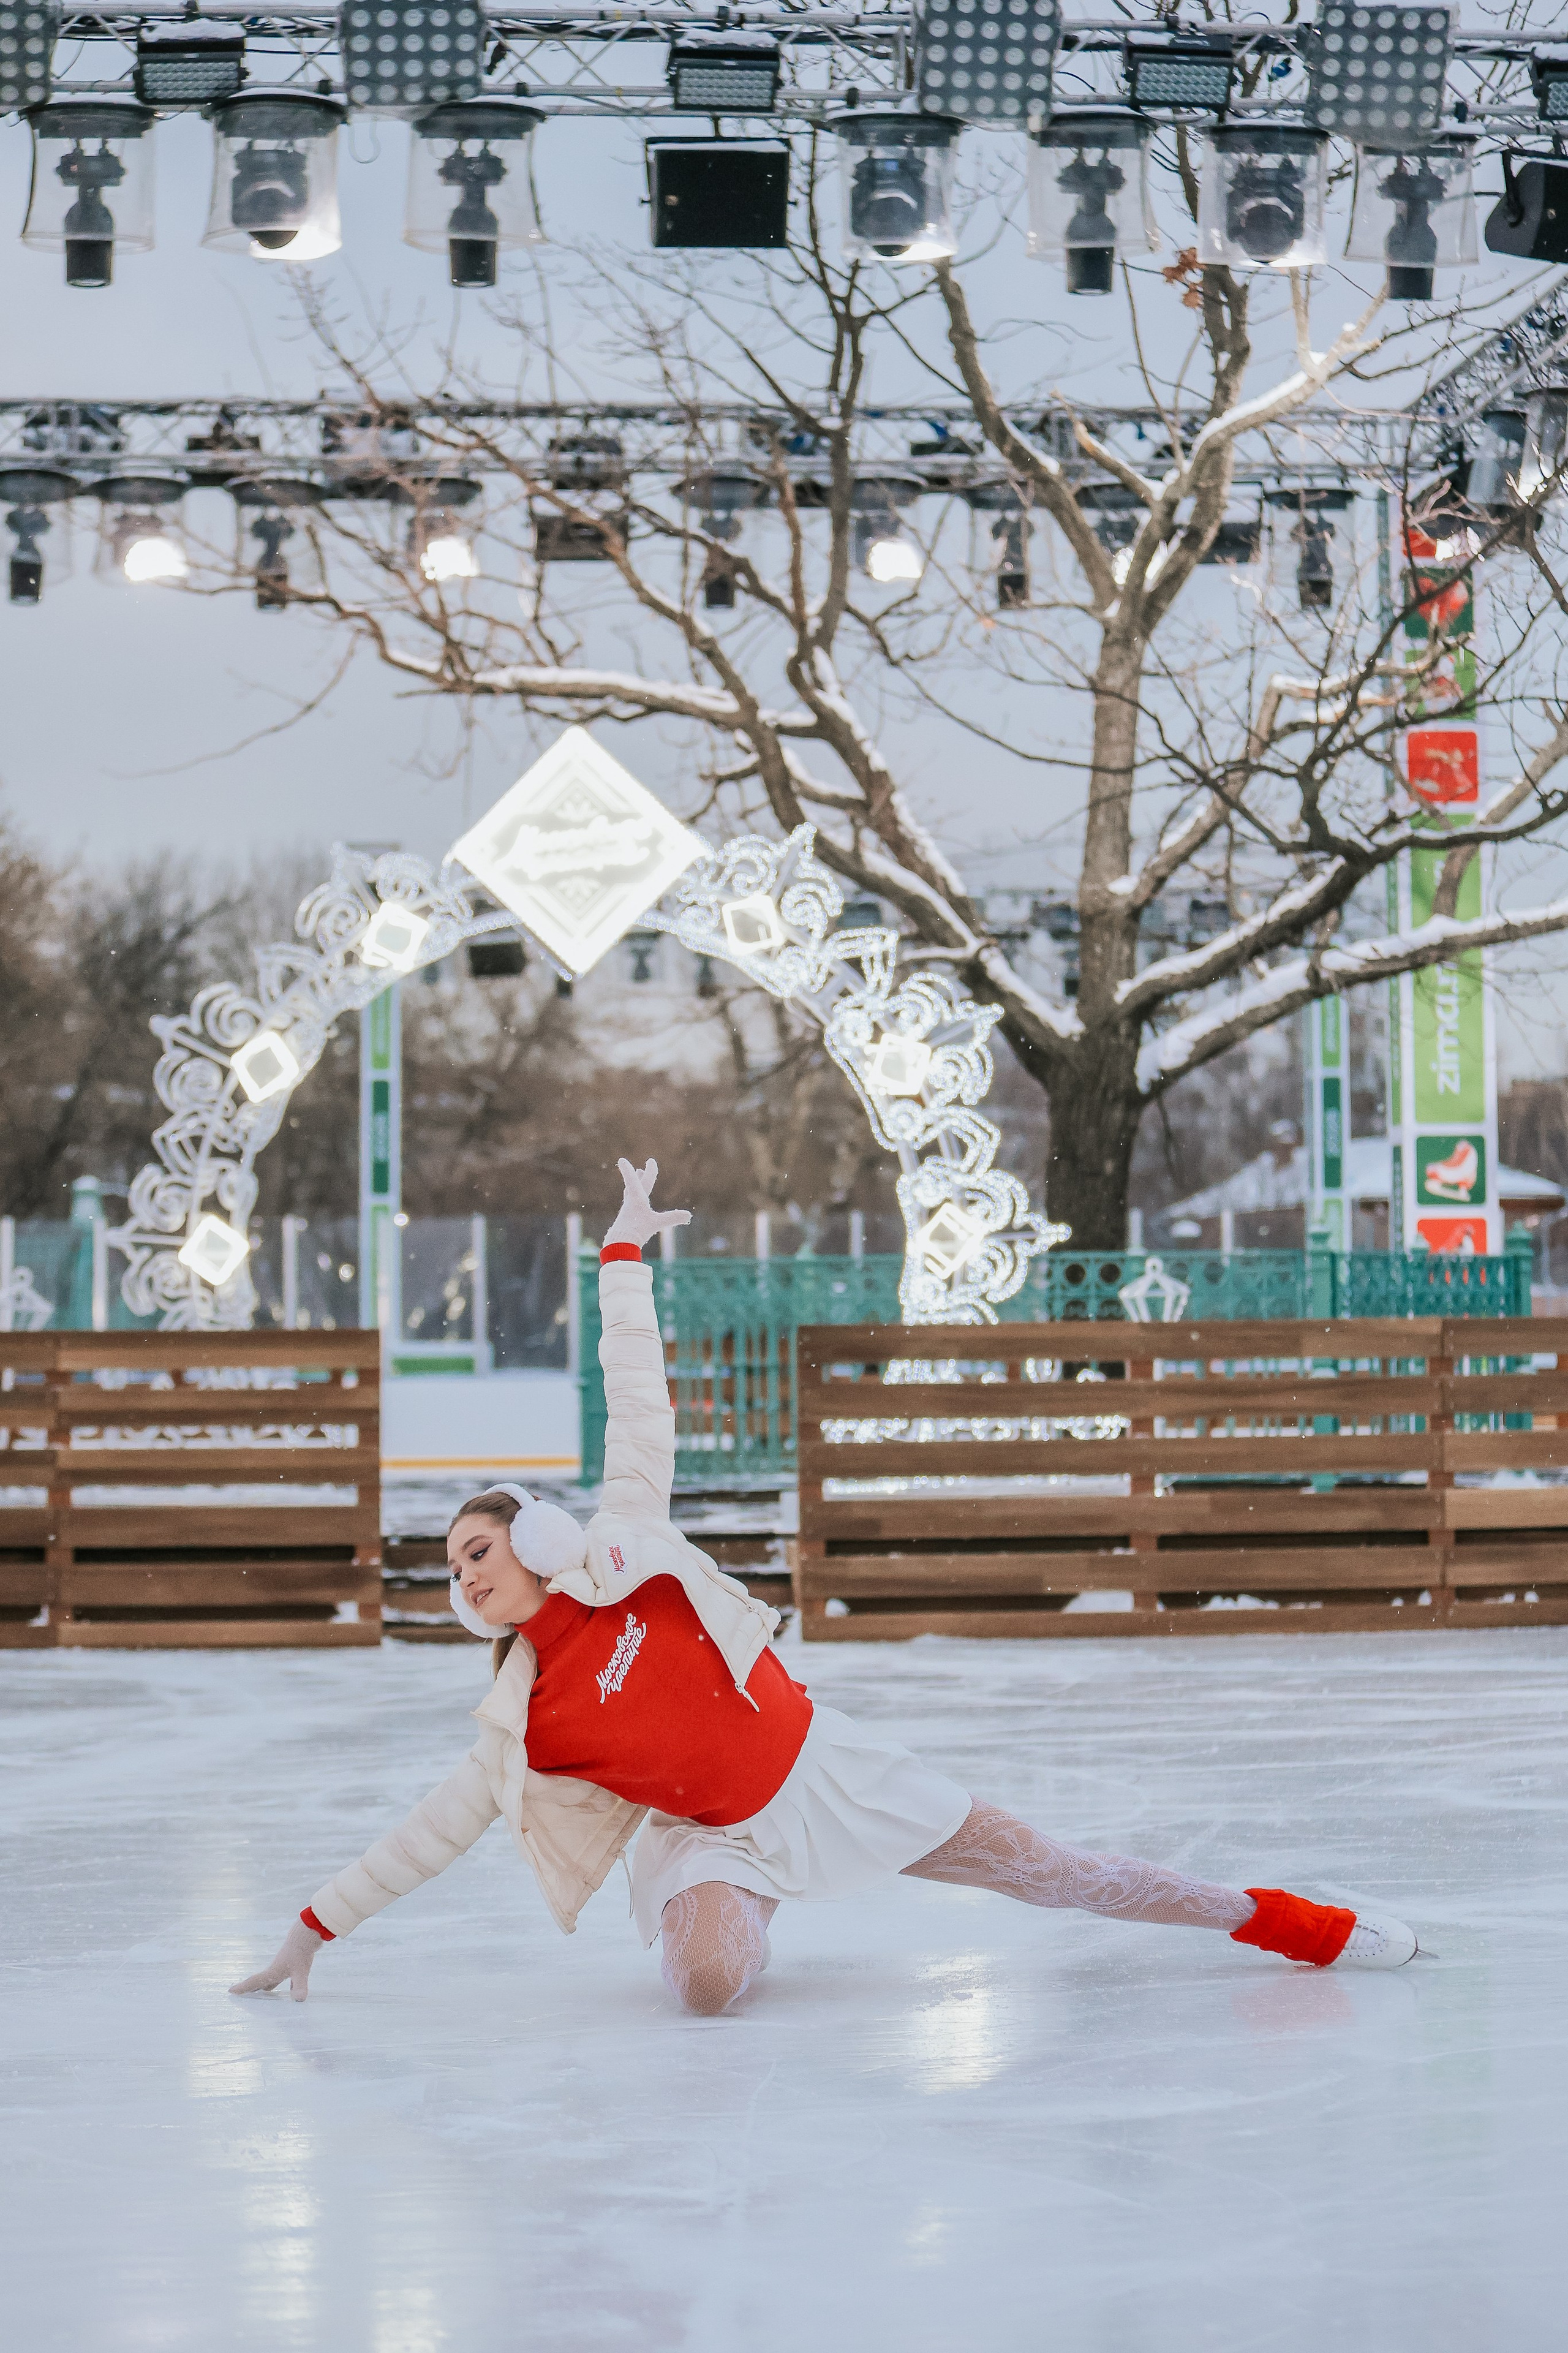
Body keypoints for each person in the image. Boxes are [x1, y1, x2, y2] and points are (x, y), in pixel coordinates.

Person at [233, 1157, 1420, 2016]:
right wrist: (310, 1924)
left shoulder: (622, 1548)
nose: (465, 1579)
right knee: (703, 1989)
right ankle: (739, 1915)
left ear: (530, 1535)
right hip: (712, 1841)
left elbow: (636, 1397)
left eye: (476, 1551)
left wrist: (619, 1255)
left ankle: (1291, 1920)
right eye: (451, 1574)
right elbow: (429, 1831)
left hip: (829, 1771)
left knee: (1057, 1872)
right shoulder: (524, 1718)